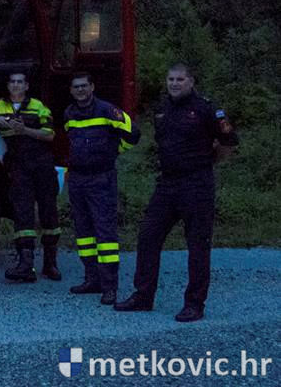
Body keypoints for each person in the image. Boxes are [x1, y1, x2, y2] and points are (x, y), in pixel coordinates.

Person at [114, 63, 238, 322]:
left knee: (197, 245)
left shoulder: (206, 109)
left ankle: (194, 304)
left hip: (197, 184)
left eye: (180, 79)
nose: (174, 83)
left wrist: (208, 162)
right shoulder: (162, 109)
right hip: (167, 184)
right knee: (148, 236)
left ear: (191, 81)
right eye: (171, 79)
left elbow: (228, 142)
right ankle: (143, 296)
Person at [0, 72, 61, 282]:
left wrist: (24, 130)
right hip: (19, 166)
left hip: (42, 164)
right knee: (22, 212)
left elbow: (49, 134)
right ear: (8, 86)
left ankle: (50, 264)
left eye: (20, 82)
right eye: (12, 82)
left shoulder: (38, 106)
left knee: (49, 213)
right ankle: (26, 265)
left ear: (27, 86)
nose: (16, 85)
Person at [64, 72, 140, 305]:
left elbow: (133, 134)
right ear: (71, 90)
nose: (80, 90)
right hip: (77, 179)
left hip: (101, 178)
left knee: (105, 234)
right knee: (84, 233)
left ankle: (109, 287)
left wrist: (115, 151)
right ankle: (92, 279)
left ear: (92, 87)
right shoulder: (69, 113)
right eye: (76, 87)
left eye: (84, 86)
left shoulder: (107, 110)